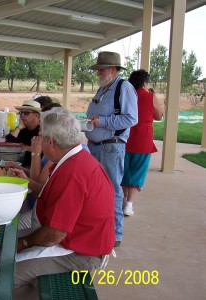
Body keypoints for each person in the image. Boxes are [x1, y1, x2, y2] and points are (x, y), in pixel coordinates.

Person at [13, 107, 115, 298]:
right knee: (6, 245)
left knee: (8, 273)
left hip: (81, 252)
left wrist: (24, 243)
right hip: (74, 239)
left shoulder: (73, 172)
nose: (38, 141)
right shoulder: (73, 159)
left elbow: (54, 234)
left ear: (50, 142)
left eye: (41, 137)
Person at [85, 51, 138, 247]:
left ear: (113, 70)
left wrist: (103, 122)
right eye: (98, 70)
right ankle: (100, 228)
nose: (98, 73)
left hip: (111, 148)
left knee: (112, 190)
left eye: (102, 69)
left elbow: (131, 119)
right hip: (97, 147)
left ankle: (115, 234)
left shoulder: (124, 88)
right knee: (97, 190)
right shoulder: (103, 89)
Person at [121, 69, 164, 216]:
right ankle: (129, 204)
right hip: (143, 140)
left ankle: (125, 199)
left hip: (125, 137)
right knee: (137, 171)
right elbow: (159, 116)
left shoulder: (126, 95)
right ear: (145, 82)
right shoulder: (150, 96)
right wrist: (156, 98)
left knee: (125, 171)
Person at [5, 99, 41, 168]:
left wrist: (24, 147)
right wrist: (19, 127)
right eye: (21, 112)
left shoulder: (41, 131)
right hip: (21, 166)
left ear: (37, 115)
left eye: (26, 113)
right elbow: (8, 146)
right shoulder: (23, 129)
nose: (22, 116)